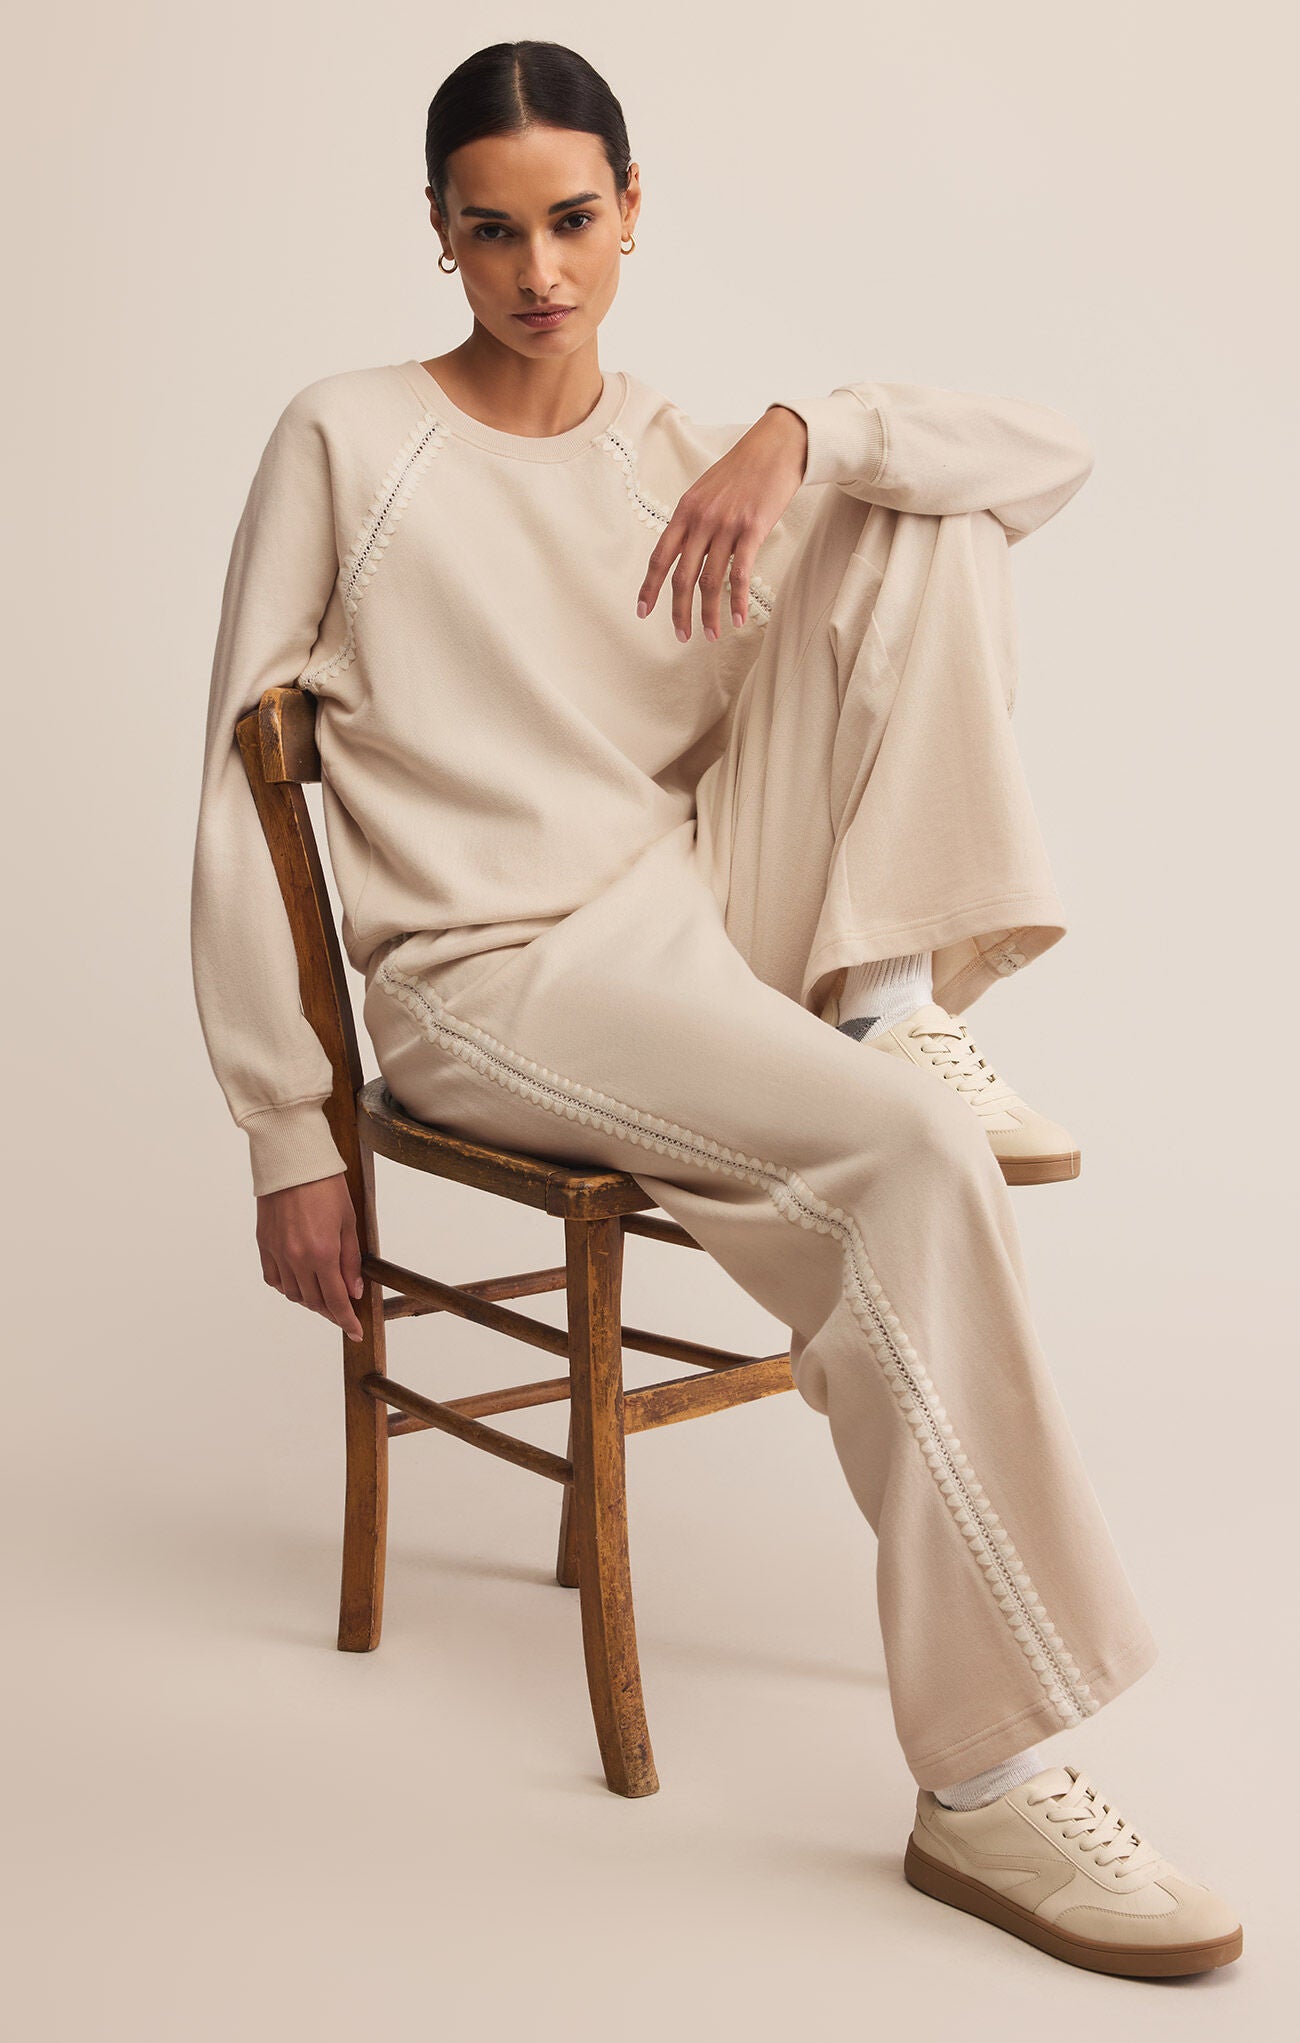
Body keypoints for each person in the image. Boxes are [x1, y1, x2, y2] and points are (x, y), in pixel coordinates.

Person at [189, 38, 1243, 1979]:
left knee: (914, 510)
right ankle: (989, 1782)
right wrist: (286, 1125)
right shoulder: (347, 433)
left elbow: (1046, 458)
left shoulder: (679, 445)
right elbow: (228, 769)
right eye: (490, 229)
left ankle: (887, 1004)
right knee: (914, 1165)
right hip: (487, 969)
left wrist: (797, 429)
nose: (538, 271)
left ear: (632, 207)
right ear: (435, 234)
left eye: (572, 220)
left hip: (687, 910)